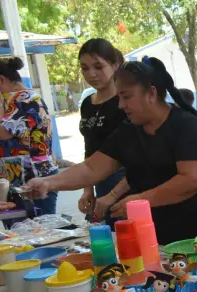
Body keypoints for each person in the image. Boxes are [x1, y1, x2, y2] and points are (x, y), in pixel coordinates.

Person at [22, 57, 197, 245]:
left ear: (151, 93)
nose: (121, 105)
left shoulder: (186, 125)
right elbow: (91, 168)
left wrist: (139, 201)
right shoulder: (128, 130)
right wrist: (49, 182)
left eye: (126, 96)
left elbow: (192, 179)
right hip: (153, 235)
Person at [0, 57, 58, 218]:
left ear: (1, 79)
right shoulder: (16, 101)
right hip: (17, 180)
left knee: (37, 234)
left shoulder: (24, 100)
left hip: (31, 181)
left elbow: (1, 133)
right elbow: (8, 147)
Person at [77, 38, 128, 227]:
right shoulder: (87, 104)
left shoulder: (125, 102)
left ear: (115, 65)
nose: (91, 74)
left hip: (127, 184)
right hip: (100, 185)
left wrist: (114, 194)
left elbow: (141, 156)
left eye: (99, 66)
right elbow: (89, 149)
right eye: (85, 68)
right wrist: (87, 188)